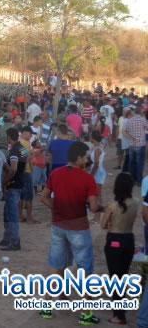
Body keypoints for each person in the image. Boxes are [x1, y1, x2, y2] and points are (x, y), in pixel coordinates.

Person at [39, 141, 102, 324]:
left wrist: (56, 209)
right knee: (85, 270)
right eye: (86, 156)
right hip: (79, 228)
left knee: (56, 266)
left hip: (59, 225)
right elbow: (94, 206)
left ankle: (46, 307)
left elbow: (43, 197)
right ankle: (86, 314)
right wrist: (102, 207)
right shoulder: (87, 178)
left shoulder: (56, 173)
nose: (88, 159)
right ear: (79, 158)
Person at [101, 172, 137, 325]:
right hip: (128, 239)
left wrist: (109, 222)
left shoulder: (112, 205)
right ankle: (120, 311)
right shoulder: (135, 202)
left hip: (114, 240)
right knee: (123, 276)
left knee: (115, 278)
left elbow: (103, 225)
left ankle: (119, 315)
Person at [0, 128, 24, 252]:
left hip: (12, 185)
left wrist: (4, 182)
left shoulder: (13, 151)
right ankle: (7, 238)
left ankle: (14, 241)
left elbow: (13, 169)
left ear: (9, 138)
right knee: (8, 212)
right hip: (19, 183)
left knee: (11, 214)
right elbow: (27, 161)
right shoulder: (22, 148)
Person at [123, 105, 148, 184]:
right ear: (140, 112)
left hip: (132, 144)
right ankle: (139, 181)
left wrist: (131, 138)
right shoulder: (143, 120)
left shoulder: (130, 120)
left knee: (132, 163)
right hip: (141, 144)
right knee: (140, 163)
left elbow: (124, 131)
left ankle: (132, 180)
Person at [18, 126, 37, 224]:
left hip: (22, 171)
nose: (30, 136)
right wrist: (32, 168)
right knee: (29, 195)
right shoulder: (23, 143)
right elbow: (27, 158)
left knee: (21, 195)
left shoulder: (22, 142)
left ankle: (20, 216)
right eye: (30, 133)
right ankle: (29, 217)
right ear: (25, 132)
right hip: (26, 171)